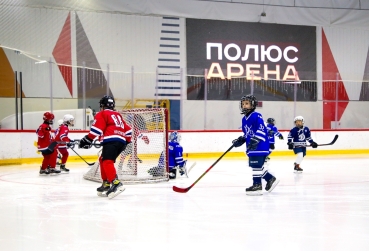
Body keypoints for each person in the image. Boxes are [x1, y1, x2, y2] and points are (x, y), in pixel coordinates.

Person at [78, 95, 132, 199]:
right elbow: (129, 130)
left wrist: (88, 139)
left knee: (107, 161)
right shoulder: (118, 115)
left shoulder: (102, 114)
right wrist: (126, 141)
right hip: (121, 142)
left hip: (111, 141)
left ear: (102, 105)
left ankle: (115, 183)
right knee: (102, 159)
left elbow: (97, 129)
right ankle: (106, 183)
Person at [232, 94, 279, 195]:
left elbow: (262, 129)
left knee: (256, 165)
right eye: (243, 104)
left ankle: (257, 185)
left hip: (260, 145)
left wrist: (256, 139)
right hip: (252, 146)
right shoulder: (244, 119)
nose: (244, 105)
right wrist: (241, 139)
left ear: (253, 105)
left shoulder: (256, 115)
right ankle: (270, 179)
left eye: (247, 103)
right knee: (255, 165)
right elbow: (247, 133)